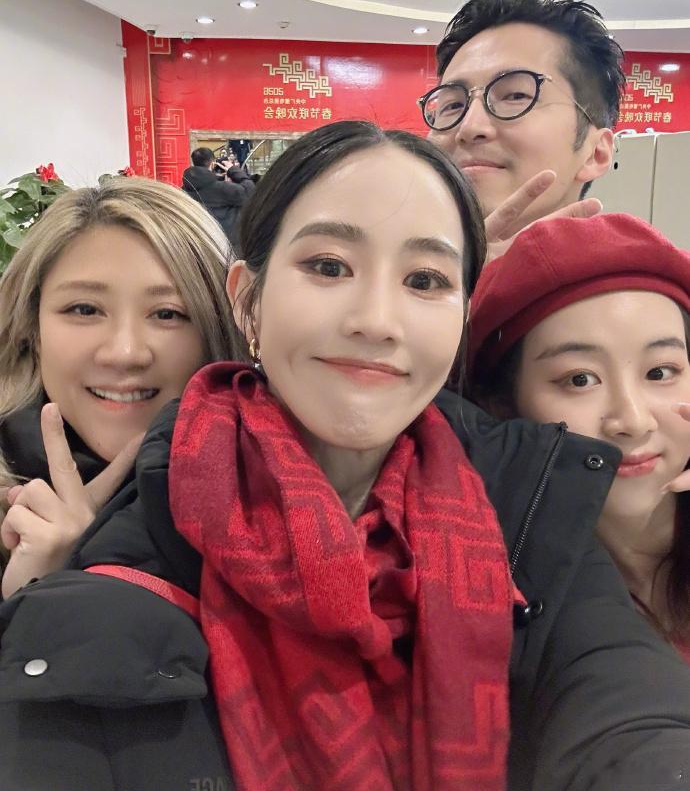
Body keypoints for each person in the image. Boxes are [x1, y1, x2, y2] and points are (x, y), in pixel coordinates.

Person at [2, 125, 690, 791]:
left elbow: (624, 703)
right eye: (328, 266)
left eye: (426, 280)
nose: (376, 321)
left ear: (461, 317)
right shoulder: (134, 558)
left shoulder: (525, 502)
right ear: (246, 300)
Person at [467, 212, 690, 659]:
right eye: (579, 380)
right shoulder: (486, 582)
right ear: (503, 404)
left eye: (660, 372)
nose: (632, 420)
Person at [0, 177, 235, 597]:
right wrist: (31, 593)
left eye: (168, 314)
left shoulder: (272, 506)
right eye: (84, 309)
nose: (125, 353)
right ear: (32, 329)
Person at [422, 0, 626, 252]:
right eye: (453, 105)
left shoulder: (632, 274)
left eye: (515, 96)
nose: (469, 127)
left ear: (595, 153)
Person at [183, 146, 255, 245]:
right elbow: (251, 192)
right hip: (226, 244)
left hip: (199, 242)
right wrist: (233, 169)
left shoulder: (183, 190)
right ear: (212, 163)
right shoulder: (223, 189)